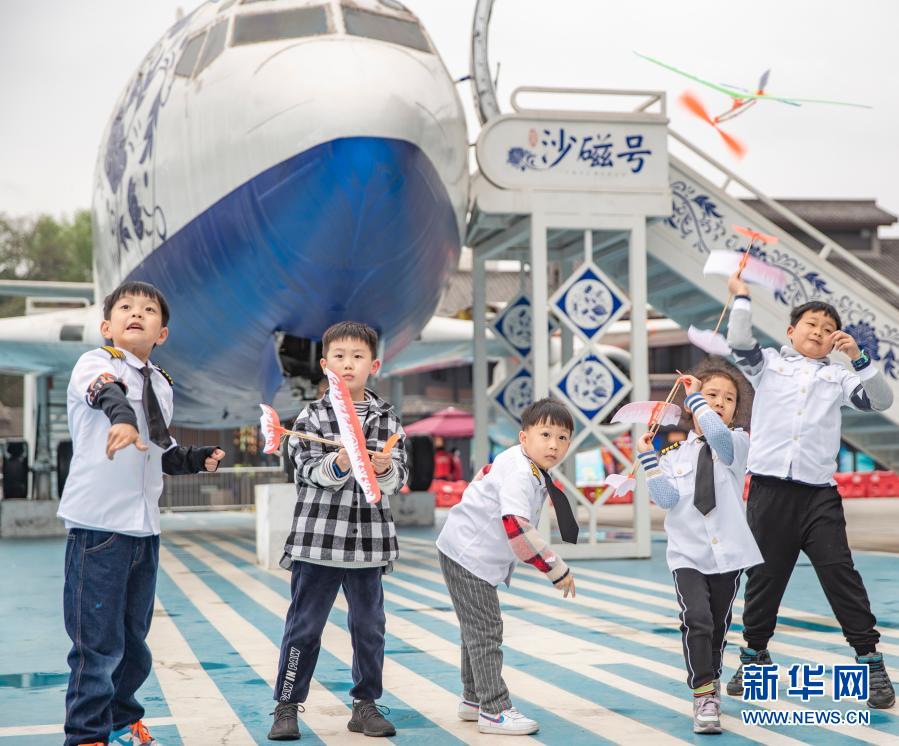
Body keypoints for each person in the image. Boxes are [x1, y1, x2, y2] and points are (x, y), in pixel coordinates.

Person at [58, 281, 225, 746]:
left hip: (144, 530)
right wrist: (123, 419)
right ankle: (86, 735)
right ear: (107, 325)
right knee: (96, 642)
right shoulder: (95, 363)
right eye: (126, 308)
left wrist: (195, 458)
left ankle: (121, 721)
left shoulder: (162, 385)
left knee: (134, 643)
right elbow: (103, 393)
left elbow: (161, 449)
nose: (137, 313)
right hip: (99, 528)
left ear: (162, 333)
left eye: (148, 310)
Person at [725, 271, 895, 709]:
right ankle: (754, 655)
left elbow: (880, 400)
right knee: (764, 578)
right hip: (768, 492)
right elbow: (739, 339)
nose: (818, 333)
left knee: (840, 573)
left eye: (827, 329)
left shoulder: (838, 379)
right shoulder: (767, 365)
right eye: (810, 325)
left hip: (819, 495)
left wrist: (858, 358)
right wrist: (741, 297)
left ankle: (870, 661)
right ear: (791, 331)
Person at [269, 321, 407, 740]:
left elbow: (399, 476)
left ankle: (365, 705)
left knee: (370, 627)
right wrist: (343, 463)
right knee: (304, 627)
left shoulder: (387, 419)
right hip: (318, 544)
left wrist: (383, 469)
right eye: (340, 357)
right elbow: (308, 471)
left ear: (375, 365)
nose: (349, 364)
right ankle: (287, 705)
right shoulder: (310, 418)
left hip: (368, 546)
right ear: (326, 365)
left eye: (358, 356)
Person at [436, 397, 577, 736]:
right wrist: (555, 568)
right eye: (545, 435)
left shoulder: (523, 464)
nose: (554, 445)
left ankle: (473, 699)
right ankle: (494, 709)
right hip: (470, 555)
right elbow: (515, 526)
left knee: (476, 628)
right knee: (486, 630)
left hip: (464, 549)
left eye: (562, 437)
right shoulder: (519, 471)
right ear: (524, 437)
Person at [636, 364, 762, 734]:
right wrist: (648, 458)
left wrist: (695, 396)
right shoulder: (673, 452)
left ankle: (712, 679)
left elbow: (717, 438)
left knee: (718, 627)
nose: (720, 403)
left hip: (729, 555)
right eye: (712, 395)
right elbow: (666, 499)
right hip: (688, 553)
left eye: (728, 399)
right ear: (691, 406)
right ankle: (703, 694)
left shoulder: (737, 444)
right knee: (697, 620)